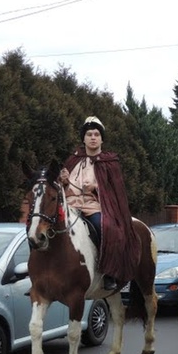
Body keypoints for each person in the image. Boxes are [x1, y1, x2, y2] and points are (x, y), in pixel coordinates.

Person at [60, 116, 139, 291]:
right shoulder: (73, 160)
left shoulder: (109, 162)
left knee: (107, 228)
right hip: (69, 206)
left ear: (102, 138)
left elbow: (116, 191)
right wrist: (62, 180)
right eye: (89, 134)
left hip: (93, 207)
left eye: (96, 134)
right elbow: (59, 188)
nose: (93, 137)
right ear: (83, 138)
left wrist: (97, 186)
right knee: (45, 226)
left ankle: (108, 273)